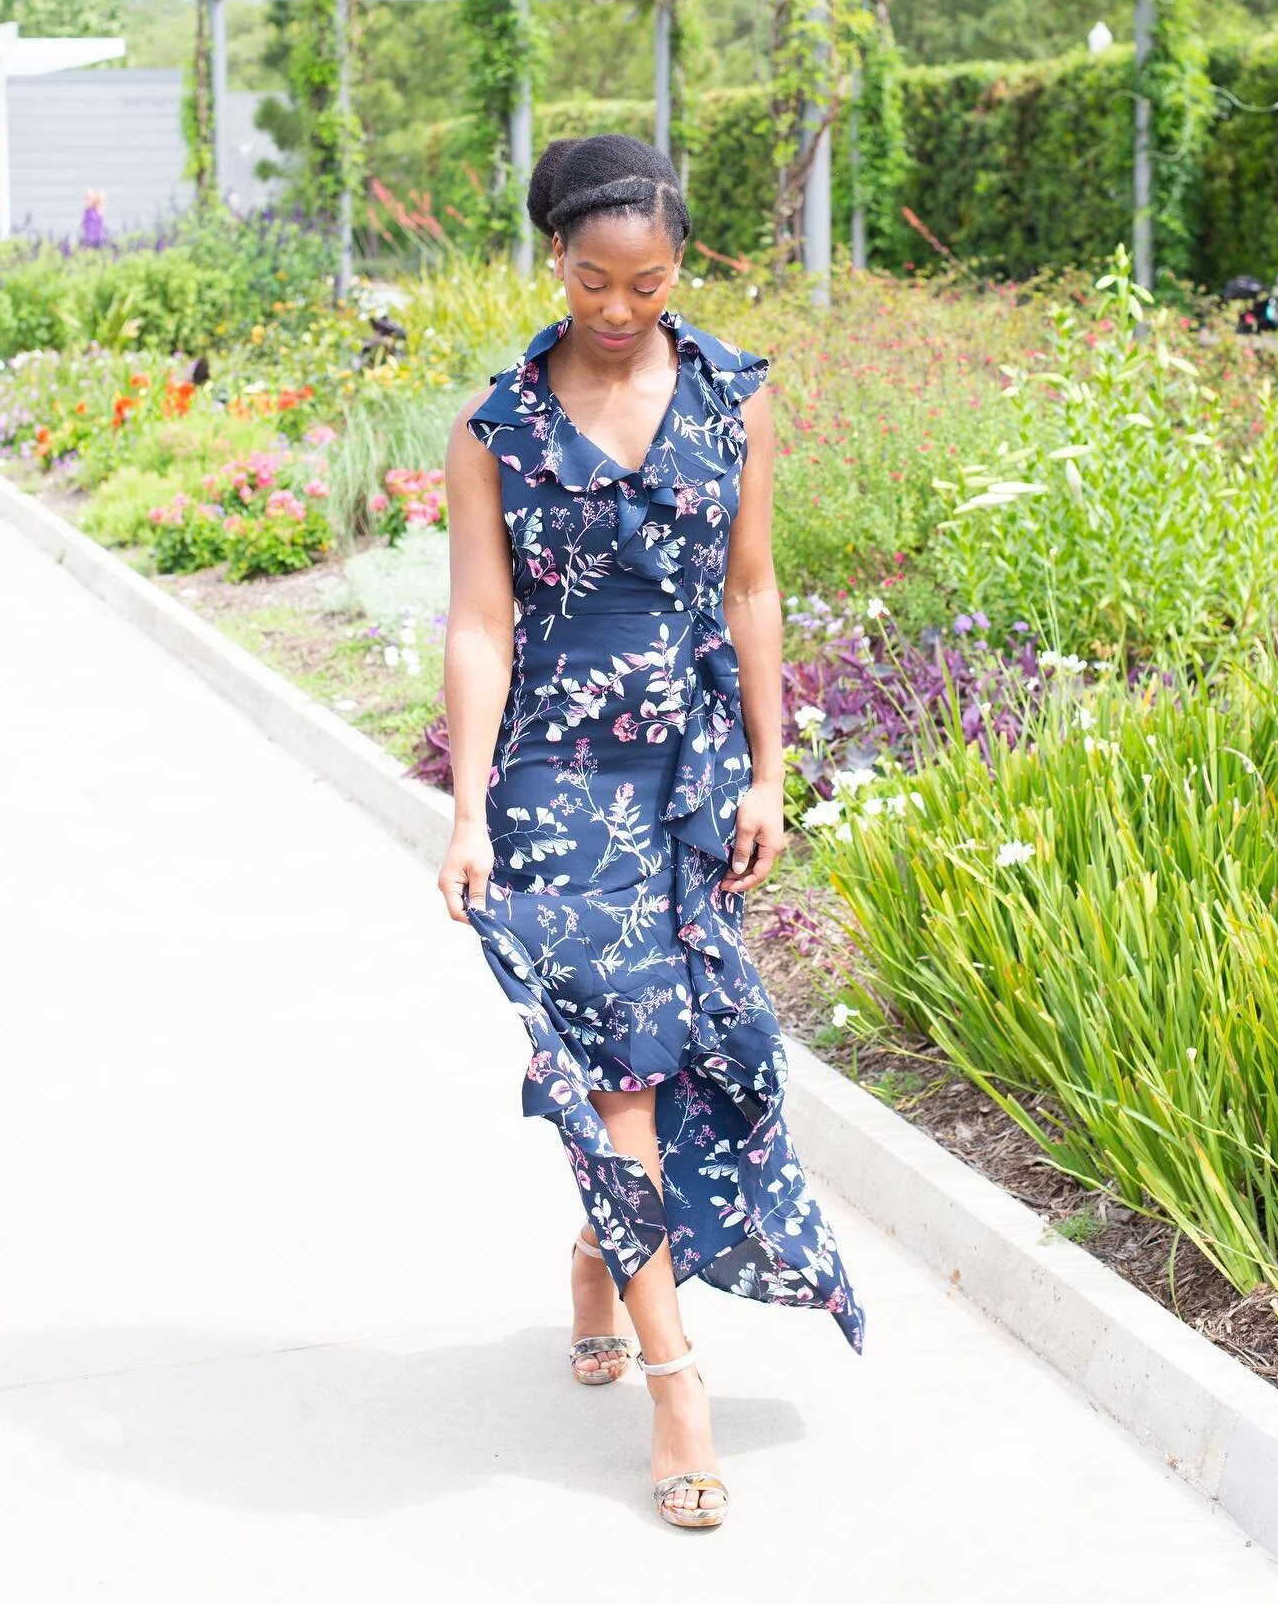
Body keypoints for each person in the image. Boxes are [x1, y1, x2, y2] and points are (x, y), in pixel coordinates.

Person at [439, 134, 864, 1532]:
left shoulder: (729, 397)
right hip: (556, 784)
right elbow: (481, 622)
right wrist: (468, 806)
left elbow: (751, 589)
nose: (617, 308)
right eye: (590, 279)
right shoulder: (497, 426)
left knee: (688, 1052)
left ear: (681, 268)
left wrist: (767, 767)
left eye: (647, 280)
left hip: (684, 774)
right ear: (551, 258)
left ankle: (594, 1256)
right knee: (620, 1068)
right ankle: (676, 1382)